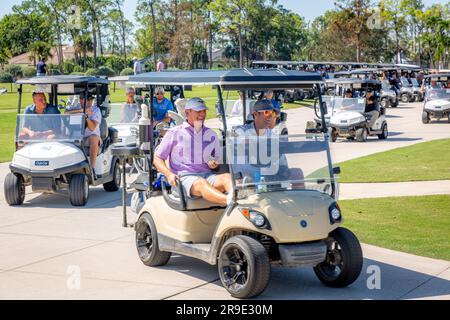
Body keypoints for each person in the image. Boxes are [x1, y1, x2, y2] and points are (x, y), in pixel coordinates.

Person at [153, 98, 233, 206]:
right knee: (201, 183)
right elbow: (157, 158)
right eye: (198, 111)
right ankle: (231, 201)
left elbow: (217, 165)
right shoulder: (174, 133)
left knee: (227, 177)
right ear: (187, 113)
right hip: (183, 179)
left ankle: (237, 199)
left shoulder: (211, 134)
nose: (202, 114)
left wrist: (214, 165)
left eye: (204, 111)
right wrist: (168, 174)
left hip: (207, 176)